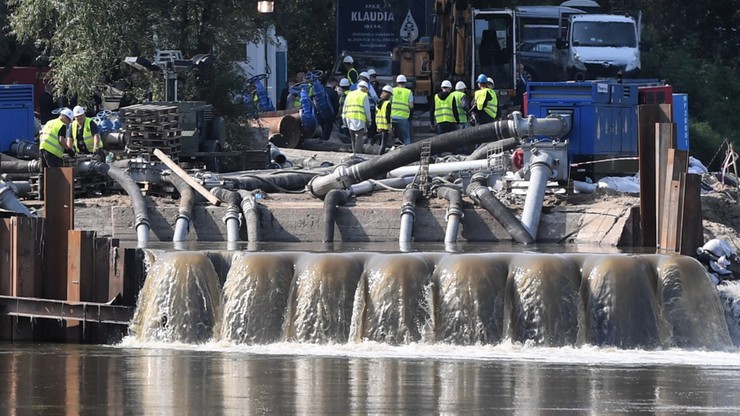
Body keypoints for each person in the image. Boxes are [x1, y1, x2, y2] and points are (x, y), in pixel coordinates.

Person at [342, 80, 372, 155]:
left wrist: (344, 119)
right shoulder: (364, 95)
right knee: (359, 138)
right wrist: (369, 120)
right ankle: (357, 154)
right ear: (365, 88)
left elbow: (344, 107)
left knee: (352, 138)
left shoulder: (350, 94)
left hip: (349, 118)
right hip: (359, 119)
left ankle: (353, 152)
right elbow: (367, 110)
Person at [391, 74, 414, 145]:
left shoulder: (392, 90)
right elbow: (411, 106)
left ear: (397, 82)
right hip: (403, 118)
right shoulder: (408, 92)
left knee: (392, 136)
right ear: (405, 83)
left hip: (392, 117)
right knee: (406, 137)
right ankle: (408, 152)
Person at [371, 85, 393, 153]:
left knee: (383, 137)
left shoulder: (378, 103)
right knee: (383, 144)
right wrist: (390, 127)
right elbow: (387, 116)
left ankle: (376, 137)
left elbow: (377, 114)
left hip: (379, 123)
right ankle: (380, 157)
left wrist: (377, 126)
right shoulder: (387, 103)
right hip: (385, 124)